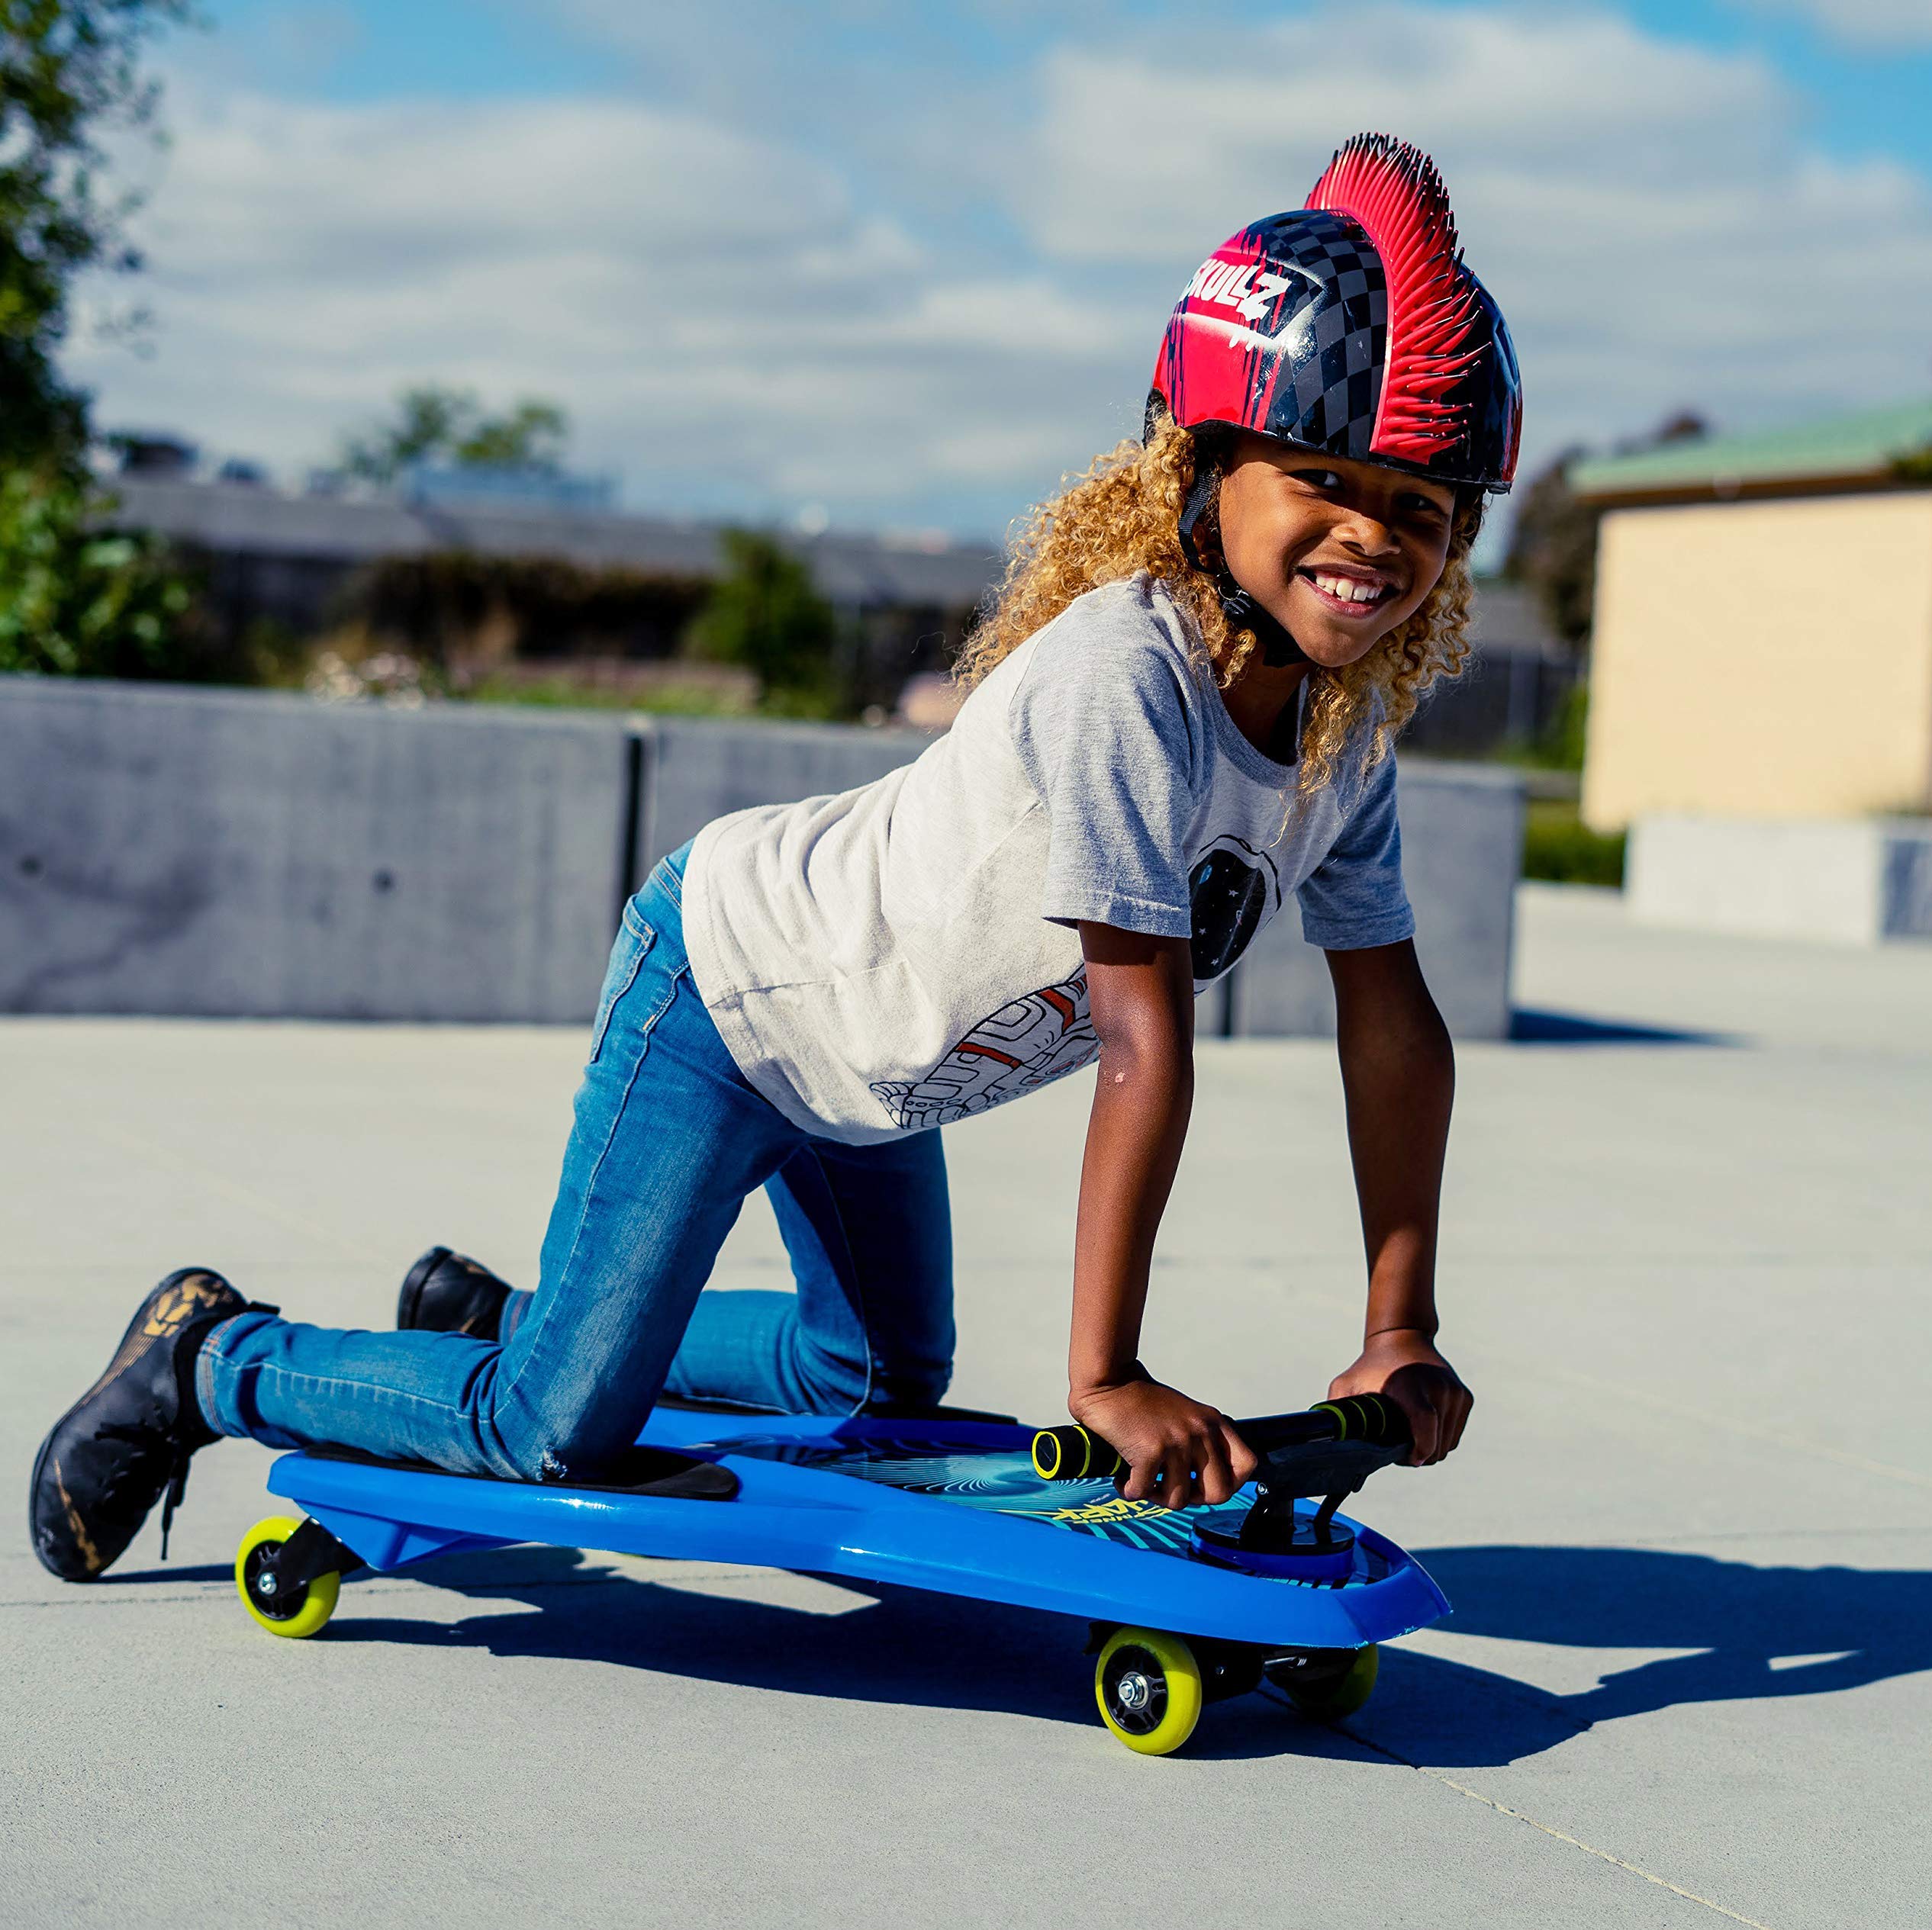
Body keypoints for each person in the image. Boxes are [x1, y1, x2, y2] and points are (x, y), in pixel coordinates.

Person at [30, 132, 1521, 1583]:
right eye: (1321, 477)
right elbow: (1143, 1027)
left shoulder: (1343, 740)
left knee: (867, 1370)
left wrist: (1401, 1318)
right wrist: (1107, 1374)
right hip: (731, 995)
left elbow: (1389, 1026)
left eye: (1418, 507)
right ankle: (211, 1354)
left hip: (867, 1072)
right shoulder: (1125, 677)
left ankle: (523, 1316)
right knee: (549, 1431)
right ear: (1197, 466)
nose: (1369, 533)